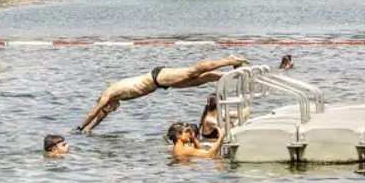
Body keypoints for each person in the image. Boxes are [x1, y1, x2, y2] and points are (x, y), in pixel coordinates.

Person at [76, 55, 249, 132]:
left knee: (192, 72)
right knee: (198, 81)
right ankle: (229, 75)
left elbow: (94, 112)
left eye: (110, 109)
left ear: (104, 103)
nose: (112, 110)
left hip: (157, 77)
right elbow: (101, 116)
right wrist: (89, 131)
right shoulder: (114, 99)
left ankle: (230, 60)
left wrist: (79, 128)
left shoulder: (109, 94)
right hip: (161, 84)